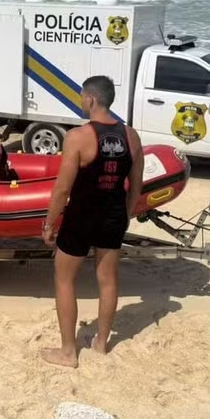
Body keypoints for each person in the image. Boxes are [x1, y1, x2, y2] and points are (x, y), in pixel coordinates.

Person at [40, 75, 144, 368]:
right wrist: (125, 212)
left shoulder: (77, 137)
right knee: (108, 280)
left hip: (82, 216)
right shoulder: (131, 136)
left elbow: (62, 189)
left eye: (81, 96)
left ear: (91, 99)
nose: (81, 101)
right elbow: (135, 184)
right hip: (113, 214)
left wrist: (49, 224)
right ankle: (100, 343)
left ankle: (68, 352)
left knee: (64, 279)